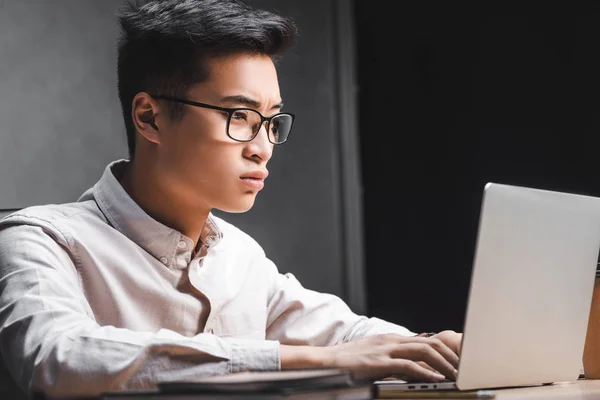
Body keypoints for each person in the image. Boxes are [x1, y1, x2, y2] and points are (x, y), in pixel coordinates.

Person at [0, 0, 462, 398]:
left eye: (271, 120)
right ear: (150, 117)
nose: (262, 145)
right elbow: (57, 358)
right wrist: (305, 359)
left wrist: (439, 349)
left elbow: (347, 333)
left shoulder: (238, 256)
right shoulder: (42, 240)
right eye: (239, 115)